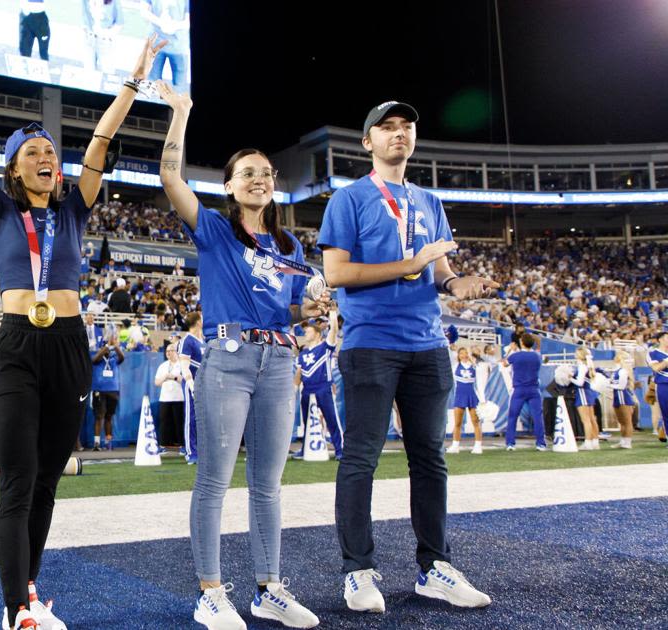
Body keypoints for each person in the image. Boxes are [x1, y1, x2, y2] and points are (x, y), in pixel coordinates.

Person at [0, 11, 163, 629]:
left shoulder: (74, 209)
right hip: (17, 345)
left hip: (70, 344)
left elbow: (98, 142)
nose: (46, 156)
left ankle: (26, 592)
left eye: (51, 151)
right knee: (17, 481)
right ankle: (17, 609)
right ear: (15, 169)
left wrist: (130, 80)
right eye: (33, 153)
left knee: (48, 480)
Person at [318, 101, 497, 613]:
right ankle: (357, 571)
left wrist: (458, 283)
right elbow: (336, 275)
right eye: (387, 127)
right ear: (367, 142)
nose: (399, 134)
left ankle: (434, 566)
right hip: (370, 342)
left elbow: (439, 270)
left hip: (428, 344)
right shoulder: (349, 199)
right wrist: (408, 264)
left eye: (406, 127)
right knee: (361, 459)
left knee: (430, 460)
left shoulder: (429, 199)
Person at [158, 81, 325, 630]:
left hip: (279, 362)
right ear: (230, 185)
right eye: (248, 172)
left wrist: (315, 310)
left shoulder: (290, 248)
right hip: (227, 360)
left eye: (267, 174)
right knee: (214, 480)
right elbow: (169, 177)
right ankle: (210, 591)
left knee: (269, 484)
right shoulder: (213, 228)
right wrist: (181, 113)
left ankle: (268, 588)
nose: (260, 179)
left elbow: (293, 311)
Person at [294, 312, 344, 459]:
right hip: (307, 390)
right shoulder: (303, 353)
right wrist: (294, 389)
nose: (306, 333)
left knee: (331, 419)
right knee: (307, 421)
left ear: (317, 333)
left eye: (308, 331)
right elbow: (299, 372)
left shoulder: (325, 347)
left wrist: (333, 314)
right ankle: (305, 449)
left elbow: (333, 331)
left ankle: (339, 450)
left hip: (324, 387)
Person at [91, 333, 124, 451]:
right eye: (105, 347)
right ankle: (96, 443)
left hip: (113, 391)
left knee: (109, 416)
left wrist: (115, 346)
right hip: (99, 390)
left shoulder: (114, 358)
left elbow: (122, 358)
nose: (107, 349)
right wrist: (103, 350)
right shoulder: (97, 358)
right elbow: (94, 360)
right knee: (99, 416)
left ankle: (108, 442)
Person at [178, 310, 203, 465]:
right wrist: (191, 384)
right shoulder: (187, 340)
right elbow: (184, 366)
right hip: (192, 384)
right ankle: (191, 452)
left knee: (204, 419)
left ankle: (202, 450)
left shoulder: (203, 340)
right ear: (198, 322)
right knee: (191, 418)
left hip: (205, 383)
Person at [448, 346, 483, 455]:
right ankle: (455, 445)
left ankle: (478, 446)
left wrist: (482, 399)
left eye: (466, 353)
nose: (464, 355)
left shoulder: (475, 367)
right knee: (457, 423)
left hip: (472, 396)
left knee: (476, 422)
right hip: (460, 396)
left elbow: (481, 382)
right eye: (461, 353)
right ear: (458, 356)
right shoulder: (455, 367)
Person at [154, 343, 190, 448]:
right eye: (167, 351)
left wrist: (172, 377)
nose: (168, 353)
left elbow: (183, 380)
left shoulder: (182, 365)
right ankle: (164, 445)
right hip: (165, 398)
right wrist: (165, 377)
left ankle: (183, 445)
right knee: (164, 423)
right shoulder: (163, 365)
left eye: (171, 350)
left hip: (179, 398)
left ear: (177, 352)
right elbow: (156, 382)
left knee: (179, 422)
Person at [602, 349, 635, 450]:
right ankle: (623, 441)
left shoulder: (623, 371)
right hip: (617, 397)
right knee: (621, 422)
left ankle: (628, 442)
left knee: (627, 421)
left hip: (623, 397)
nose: (614, 357)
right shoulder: (617, 371)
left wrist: (608, 385)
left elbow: (621, 386)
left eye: (617, 356)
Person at [571, 346, 602, 450]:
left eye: (576, 353)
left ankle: (588, 443)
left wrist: (570, 378)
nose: (575, 355)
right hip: (588, 393)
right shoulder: (587, 366)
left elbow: (579, 383)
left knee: (586, 420)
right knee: (592, 419)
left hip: (583, 393)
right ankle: (595, 442)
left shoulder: (582, 366)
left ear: (580, 355)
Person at [649, 332, 668, 448]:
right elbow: (656, 368)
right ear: (660, 340)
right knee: (666, 412)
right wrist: (666, 361)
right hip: (664, 384)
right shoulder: (653, 353)